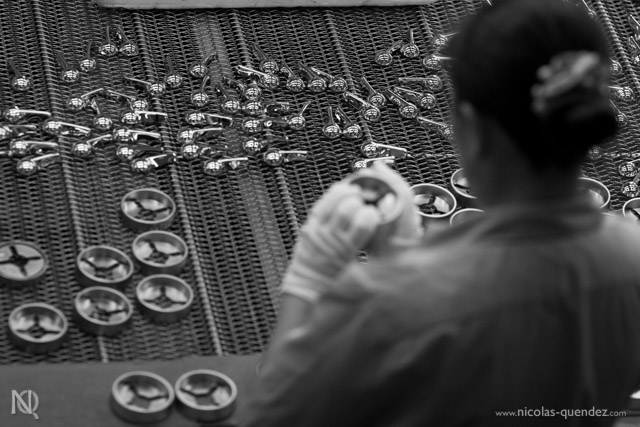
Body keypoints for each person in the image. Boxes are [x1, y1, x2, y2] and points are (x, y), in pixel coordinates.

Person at [239, 0, 640, 425]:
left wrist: (309, 278)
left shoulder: (389, 304)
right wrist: (406, 264)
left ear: (471, 128)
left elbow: (271, 415)